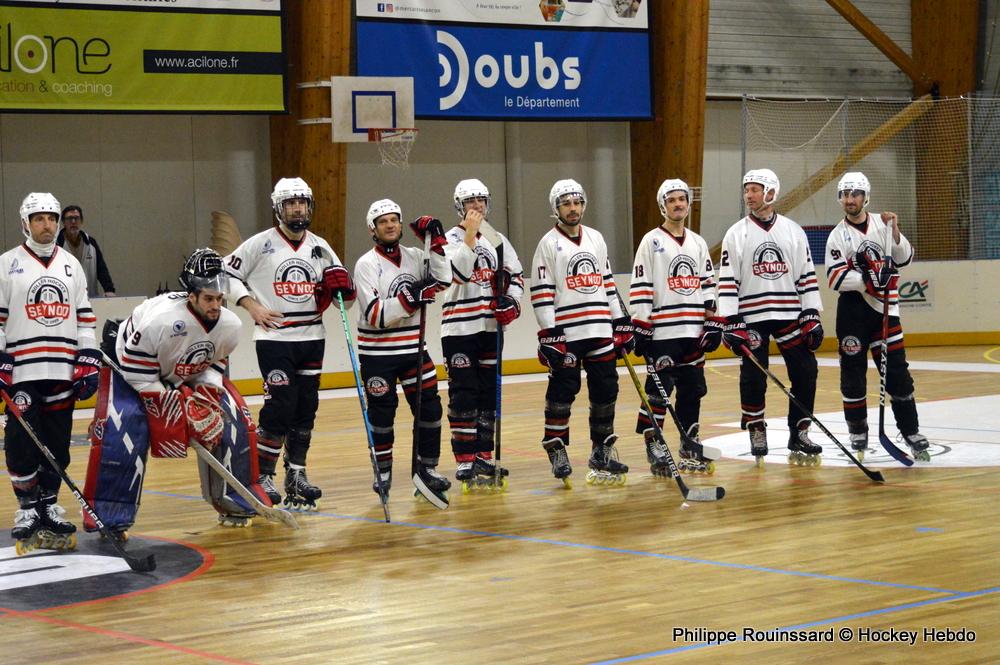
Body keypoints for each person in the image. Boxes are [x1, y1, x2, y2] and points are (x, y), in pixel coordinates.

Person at [84, 249, 263, 531]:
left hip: (179, 370)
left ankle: (237, 499)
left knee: (233, 417)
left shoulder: (230, 325)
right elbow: (136, 370)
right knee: (125, 428)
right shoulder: (160, 321)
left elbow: (214, 362)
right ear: (191, 295)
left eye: (219, 298)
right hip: (128, 365)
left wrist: (205, 394)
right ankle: (110, 516)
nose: (216, 305)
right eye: (208, 298)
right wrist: (171, 404)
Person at [224, 177, 355, 510]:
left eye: (302, 202)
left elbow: (344, 299)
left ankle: (297, 472)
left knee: (306, 407)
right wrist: (251, 305)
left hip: (312, 337)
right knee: (280, 405)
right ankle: (262, 475)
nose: (297, 208)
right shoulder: (260, 243)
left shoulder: (321, 246)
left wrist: (342, 289)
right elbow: (226, 273)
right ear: (278, 208)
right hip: (275, 338)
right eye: (290, 203)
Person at [2, 193, 98, 553]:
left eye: (52, 218)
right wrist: (1, 358)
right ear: (25, 222)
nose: (47, 225)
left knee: (57, 443)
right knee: (21, 442)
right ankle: (26, 508)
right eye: (38, 218)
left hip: (61, 369)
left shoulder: (71, 265)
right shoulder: (6, 264)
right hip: (23, 372)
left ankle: (49, 502)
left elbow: (85, 317)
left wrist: (86, 358)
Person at [717, 169, 824, 466]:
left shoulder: (793, 231)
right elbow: (727, 280)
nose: (749, 195)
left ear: (771, 192)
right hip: (752, 317)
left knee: (806, 371)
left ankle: (800, 430)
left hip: (789, 314)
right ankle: (756, 427)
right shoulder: (736, 233)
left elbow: (806, 276)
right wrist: (731, 320)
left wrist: (811, 313)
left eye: (755, 189)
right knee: (753, 376)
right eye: (746, 190)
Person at [531, 179, 634, 486]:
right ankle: (556, 446)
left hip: (600, 327)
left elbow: (608, 283)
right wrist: (549, 333)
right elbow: (541, 292)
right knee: (563, 392)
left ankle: (601, 451)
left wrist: (621, 320)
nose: (573, 208)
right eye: (566, 203)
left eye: (577, 202)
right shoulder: (548, 244)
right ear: (556, 208)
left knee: (606, 391)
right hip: (568, 334)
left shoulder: (596, 238)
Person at [824, 172, 930, 461]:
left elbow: (905, 257)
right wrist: (868, 279)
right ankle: (857, 431)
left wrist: (895, 233)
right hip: (852, 313)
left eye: (855, 194)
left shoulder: (883, 225)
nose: (849, 200)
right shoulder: (837, 235)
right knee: (853, 375)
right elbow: (834, 278)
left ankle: (910, 430)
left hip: (886, 311)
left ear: (865, 196)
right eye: (845, 195)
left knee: (897, 373)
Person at [353, 199, 453, 501]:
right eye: (383, 221)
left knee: (430, 409)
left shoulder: (415, 256)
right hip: (377, 355)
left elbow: (444, 279)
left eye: (395, 219)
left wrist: (436, 244)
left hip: (413, 349)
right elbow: (376, 315)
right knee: (382, 416)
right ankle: (382, 471)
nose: (391, 225)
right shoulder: (365, 265)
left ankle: (427, 469)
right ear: (373, 228)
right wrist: (411, 299)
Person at [629, 179, 720, 475]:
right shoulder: (651, 241)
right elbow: (640, 285)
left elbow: (708, 283)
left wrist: (712, 321)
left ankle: (689, 443)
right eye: (672, 200)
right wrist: (641, 325)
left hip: (692, 332)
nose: (678, 204)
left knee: (693, 389)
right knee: (659, 390)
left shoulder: (697, 242)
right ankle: (653, 443)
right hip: (663, 332)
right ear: (662, 205)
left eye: (682, 199)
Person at [441, 179, 524, 487]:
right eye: (469, 202)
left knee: (489, 394)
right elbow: (458, 273)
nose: (476, 206)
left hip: (490, 328)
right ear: (459, 207)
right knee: (464, 393)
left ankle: (484, 455)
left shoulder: (499, 240)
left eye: (481, 200)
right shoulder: (448, 239)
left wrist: (511, 303)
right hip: (459, 328)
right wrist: (471, 236)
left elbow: (516, 277)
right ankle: (464, 459)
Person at [56, 205, 116, 297]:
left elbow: (101, 268)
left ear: (81, 221)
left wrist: (109, 289)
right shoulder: (56, 244)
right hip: (64, 299)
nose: (73, 222)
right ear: (63, 222)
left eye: (76, 218)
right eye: (69, 218)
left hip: (89, 298)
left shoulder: (91, 243)